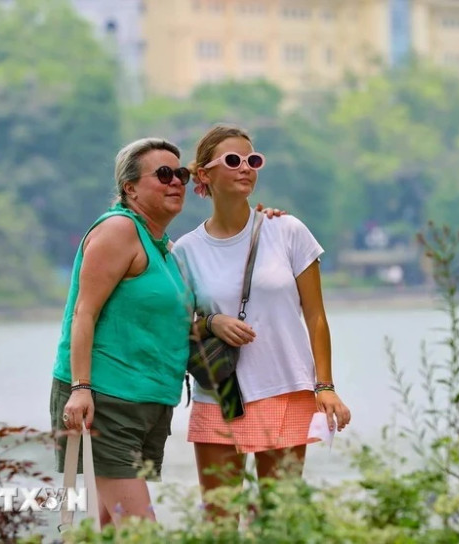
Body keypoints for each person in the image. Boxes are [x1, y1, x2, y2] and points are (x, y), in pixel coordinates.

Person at [172, 125, 351, 507]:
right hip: (221, 394)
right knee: (219, 519)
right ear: (204, 175)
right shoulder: (186, 250)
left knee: (279, 516)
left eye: (253, 161)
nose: (246, 168)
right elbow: (174, 327)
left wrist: (326, 385)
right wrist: (211, 323)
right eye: (233, 161)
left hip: (285, 387)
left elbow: (316, 315)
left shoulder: (287, 230)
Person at [50, 138, 193, 526]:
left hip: (148, 402)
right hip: (106, 400)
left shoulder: (163, 246)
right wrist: (81, 388)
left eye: (181, 173)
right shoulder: (119, 230)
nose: (176, 181)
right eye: (163, 174)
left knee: (116, 528)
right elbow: (84, 312)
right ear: (129, 187)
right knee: (140, 529)